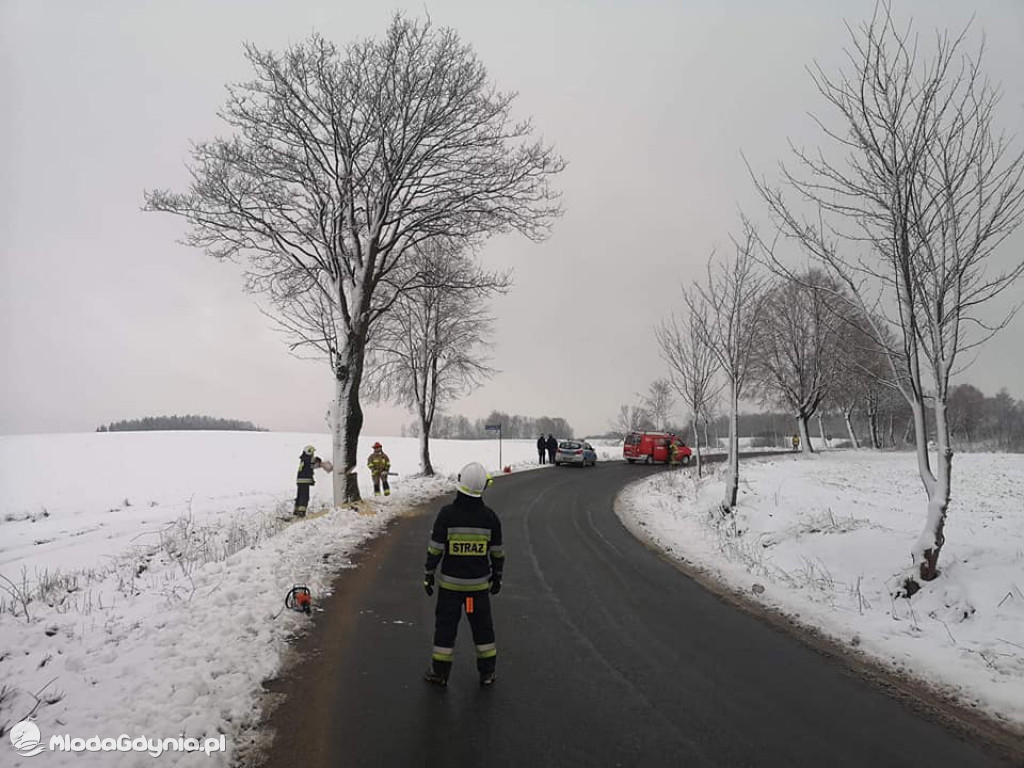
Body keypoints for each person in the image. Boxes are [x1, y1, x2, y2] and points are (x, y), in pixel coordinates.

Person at [423, 462, 504, 688]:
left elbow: (435, 548)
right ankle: (487, 673)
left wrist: (428, 573)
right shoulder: (490, 518)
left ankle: (440, 674)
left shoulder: (447, 515)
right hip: (476, 593)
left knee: (446, 630)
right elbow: (497, 553)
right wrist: (497, 576)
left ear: (460, 484)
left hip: (451, 590)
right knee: (482, 629)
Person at [294, 445, 322, 517]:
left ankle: (296, 511)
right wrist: (318, 461)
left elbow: (310, 468)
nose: (313, 455)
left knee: (299, 496)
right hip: (304, 481)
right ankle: (301, 513)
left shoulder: (303, 459)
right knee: (304, 497)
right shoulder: (308, 459)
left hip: (300, 481)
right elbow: (312, 463)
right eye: (312, 453)